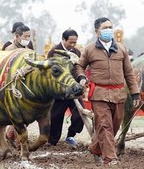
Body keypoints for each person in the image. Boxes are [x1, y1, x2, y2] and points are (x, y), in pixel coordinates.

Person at [76, 17, 140, 165]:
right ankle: (110, 158)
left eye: (110, 27)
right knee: (105, 126)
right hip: (99, 94)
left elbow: (129, 73)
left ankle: (95, 148)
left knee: (115, 125)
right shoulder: (89, 49)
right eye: (105, 28)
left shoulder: (121, 49)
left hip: (119, 94)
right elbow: (79, 66)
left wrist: (135, 92)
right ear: (97, 31)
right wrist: (81, 77)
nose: (108, 30)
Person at [47, 28, 84, 148]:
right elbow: (51, 72)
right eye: (70, 42)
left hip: (74, 89)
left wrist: (81, 78)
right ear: (63, 40)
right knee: (55, 116)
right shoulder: (54, 52)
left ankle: (71, 135)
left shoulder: (77, 52)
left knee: (80, 113)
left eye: (75, 42)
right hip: (60, 90)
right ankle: (52, 140)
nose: (73, 45)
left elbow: (79, 68)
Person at [3, 24, 32, 145]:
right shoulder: (9, 49)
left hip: (25, 85)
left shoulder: (29, 49)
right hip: (12, 85)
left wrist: (25, 70)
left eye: (29, 36)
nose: (27, 39)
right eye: (25, 36)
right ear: (17, 36)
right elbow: (6, 69)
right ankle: (12, 135)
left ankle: (15, 134)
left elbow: (33, 63)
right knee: (15, 113)